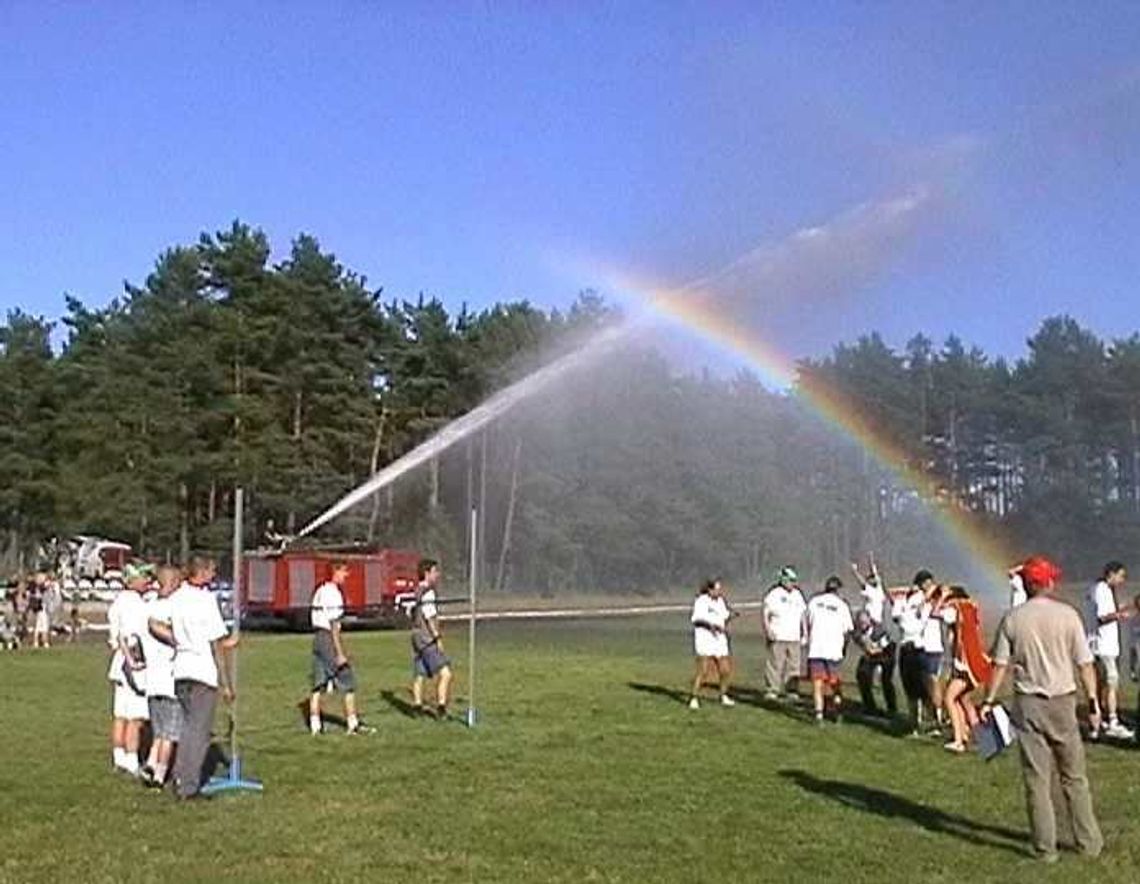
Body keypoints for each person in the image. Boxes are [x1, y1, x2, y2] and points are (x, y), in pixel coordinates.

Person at [982, 555, 1103, 863]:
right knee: (1074, 777)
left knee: (1037, 780)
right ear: (1048, 582)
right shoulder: (1068, 616)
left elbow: (999, 665)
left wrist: (988, 700)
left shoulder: (1013, 618)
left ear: (1025, 583)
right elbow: (1085, 664)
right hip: (1063, 700)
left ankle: (1045, 849)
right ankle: (1089, 843)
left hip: (1028, 704)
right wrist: (1094, 703)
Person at [151, 556, 238, 800]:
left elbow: (154, 622)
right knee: (198, 732)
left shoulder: (176, 597)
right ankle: (188, 786)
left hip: (180, 670)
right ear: (201, 572)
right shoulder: (205, 600)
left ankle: (180, 775)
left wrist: (176, 639)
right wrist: (226, 684)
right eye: (212, 570)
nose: (214, 575)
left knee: (188, 727)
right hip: (202, 672)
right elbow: (216, 645)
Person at [106, 563, 154, 775]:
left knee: (120, 714)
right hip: (134, 665)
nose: (148, 581)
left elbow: (115, 637)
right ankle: (132, 760)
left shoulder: (117, 602)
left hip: (119, 664)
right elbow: (135, 637)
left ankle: (119, 757)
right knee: (135, 717)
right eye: (144, 577)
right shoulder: (136, 605)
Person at [309, 562, 366, 735]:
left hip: (317, 637)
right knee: (348, 681)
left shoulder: (319, 590)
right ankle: (352, 723)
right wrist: (340, 653)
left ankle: (315, 725)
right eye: (343, 571)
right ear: (335, 572)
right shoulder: (334, 594)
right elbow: (334, 624)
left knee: (317, 684)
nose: (346, 575)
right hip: (327, 637)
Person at [141, 565, 183, 787]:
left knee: (159, 731)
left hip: (152, 680)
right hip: (170, 679)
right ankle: (159, 775)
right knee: (170, 734)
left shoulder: (149, 605)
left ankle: (150, 763)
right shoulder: (172, 607)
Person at [1083, 561, 1133, 740]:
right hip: (1103, 646)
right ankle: (1112, 721)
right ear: (1111, 574)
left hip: (1096, 645)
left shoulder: (1095, 588)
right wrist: (1121, 615)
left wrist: (1121, 610)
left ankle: (1100, 718)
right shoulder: (1102, 590)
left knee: (1100, 685)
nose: (1122, 580)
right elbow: (1103, 617)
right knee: (1112, 683)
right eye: (1120, 576)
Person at [941, 587, 991, 753]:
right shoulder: (972, 608)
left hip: (966, 663)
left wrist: (942, 597)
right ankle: (978, 738)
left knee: (949, 698)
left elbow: (936, 614)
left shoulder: (957, 609)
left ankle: (958, 740)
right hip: (976, 660)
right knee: (963, 700)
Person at [851, 557, 898, 718]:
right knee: (862, 674)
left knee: (886, 680)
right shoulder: (858, 631)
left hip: (886, 649)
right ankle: (869, 706)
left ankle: (892, 709)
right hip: (872, 648)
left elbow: (868, 581)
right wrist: (872, 565)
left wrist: (855, 571)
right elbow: (862, 643)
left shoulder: (875, 592)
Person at [805, 575, 855, 724]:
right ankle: (838, 712)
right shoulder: (842, 605)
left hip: (816, 648)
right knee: (835, 684)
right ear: (838, 590)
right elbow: (848, 630)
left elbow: (806, 622)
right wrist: (844, 649)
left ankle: (818, 714)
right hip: (833, 650)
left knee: (817, 683)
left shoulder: (814, 602)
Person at [895, 570, 936, 734]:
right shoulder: (905, 599)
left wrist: (922, 603)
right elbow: (897, 618)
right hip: (905, 647)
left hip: (918, 648)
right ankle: (914, 724)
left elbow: (922, 618)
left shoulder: (926, 601)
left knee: (923, 689)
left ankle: (931, 722)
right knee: (910, 689)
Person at [410, 558, 453, 718]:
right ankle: (441, 708)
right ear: (426, 573)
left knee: (419, 673)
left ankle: (417, 706)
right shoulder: (428, 592)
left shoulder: (416, 591)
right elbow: (429, 617)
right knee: (446, 673)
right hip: (426, 638)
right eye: (435, 572)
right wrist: (437, 638)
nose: (438, 575)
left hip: (415, 636)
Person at [689, 578, 736, 710]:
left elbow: (724, 616)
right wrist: (710, 626)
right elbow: (696, 620)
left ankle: (723, 695)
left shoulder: (721, 601)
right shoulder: (701, 601)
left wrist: (731, 616)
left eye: (720, 589)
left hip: (719, 639)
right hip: (705, 639)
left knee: (725, 670)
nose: (719, 592)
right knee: (703, 671)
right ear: (709, 590)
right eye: (716, 589)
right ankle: (694, 697)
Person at [761, 566, 806, 702]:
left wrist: (805, 633)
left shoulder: (798, 595)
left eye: (794, 580)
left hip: (794, 637)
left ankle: (792, 691)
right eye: (791, 580)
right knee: (775, 664)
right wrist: (768, 630)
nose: (793, 583)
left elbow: (803, 615)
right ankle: (772, 690)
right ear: (783, 580)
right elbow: (765, 613)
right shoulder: (774, 594)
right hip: (778, 636)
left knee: (794, 666)